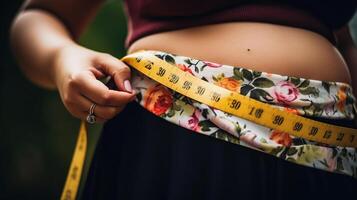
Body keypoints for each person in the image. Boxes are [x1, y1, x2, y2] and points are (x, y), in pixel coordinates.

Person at [10, 0, 357, 199]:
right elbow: (39, 16)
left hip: (326, 159)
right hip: (174, 146)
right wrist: (62, 59)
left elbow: (340, 40)